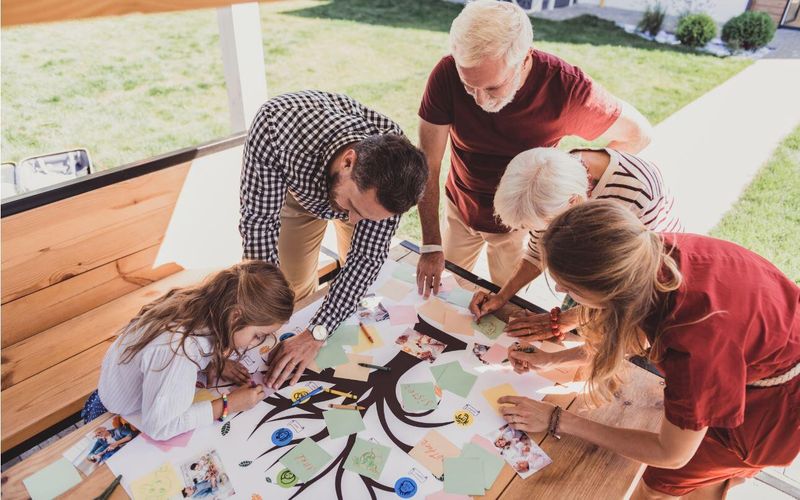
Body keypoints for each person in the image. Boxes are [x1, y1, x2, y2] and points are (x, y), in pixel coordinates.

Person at [499, 201, 799, 499]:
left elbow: (671, 454)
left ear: (610, 290)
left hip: (773, 412)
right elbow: (631, 332)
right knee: (698, 473)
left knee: (659, 484)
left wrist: (559, 419)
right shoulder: (644, 251)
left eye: (569, 288)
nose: (561, 292)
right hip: (760, 348)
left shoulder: (692, 345)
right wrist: (552, 360)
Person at [415, 0, 653, 297]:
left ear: (525, 58)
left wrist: (569, 195)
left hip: (519, 226)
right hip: (460, 207)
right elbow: (428, 163)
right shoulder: (446, 72)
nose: (478, 99)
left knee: (508, 306)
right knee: (443, 295)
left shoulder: (566, 89)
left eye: (492, 87)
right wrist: (431, 244)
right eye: (468, 85)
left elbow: (637, 134)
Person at [240, 90, 427, 390]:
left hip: (355, 193)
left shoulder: (394, 183)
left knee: (354, 287)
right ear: (348, 162)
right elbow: (260, 224)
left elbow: (364, 260)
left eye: (365, 216)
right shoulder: (276, 127)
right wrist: (259, 305)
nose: (350, 220)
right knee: (288, 286)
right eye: (352, 207)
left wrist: (317, 333)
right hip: (297, 188)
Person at [470, 147, 681, 340]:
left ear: (574, 202)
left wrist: (563, 321)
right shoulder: (550, 185)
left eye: (546, 225)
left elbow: (627, 292)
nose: (557, 287)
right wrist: (502, 296)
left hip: (648, 275)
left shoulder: (639, 195)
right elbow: (537, 252)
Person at [90, 261, 295, 440]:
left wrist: (214, 361)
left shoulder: (200, 304)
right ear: (235, 316)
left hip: (121, 390)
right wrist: (228, 405)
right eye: (258, 335)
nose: (256, 343)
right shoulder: (179, 350)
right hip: (110, 414)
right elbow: (161, 427)